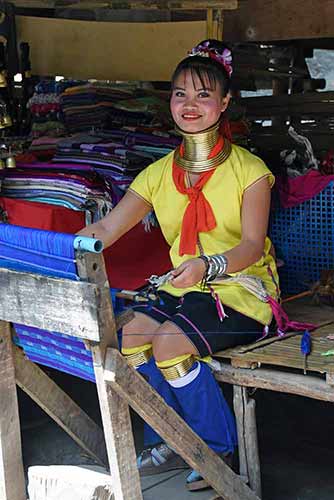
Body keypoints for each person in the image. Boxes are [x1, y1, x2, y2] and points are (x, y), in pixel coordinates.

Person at [77, 39, 280, 491]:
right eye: (180, 94)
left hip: (242, 292)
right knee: (130, 334)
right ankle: (170, 438)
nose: (190, 105)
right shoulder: (157, 173)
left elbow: (251, 245)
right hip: (183, 289)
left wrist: (208, 266)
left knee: (168, 343)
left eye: (204, 95)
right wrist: (64, 245)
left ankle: (215, 449)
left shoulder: (251, 172)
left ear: (224, 103)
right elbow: (108, 229)